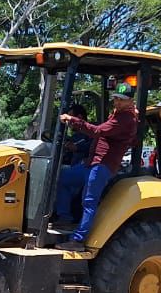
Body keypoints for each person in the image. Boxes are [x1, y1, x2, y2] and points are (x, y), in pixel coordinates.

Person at [53, 85, 139, 251]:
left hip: (102, 166)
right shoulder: (119, 115)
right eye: (115, 98)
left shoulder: (125, 119)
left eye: (121, 99)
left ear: (130, 101)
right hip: (92, 163)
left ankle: (77, 241)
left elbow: (98, 131)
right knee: (63, 178)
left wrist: (73, 120)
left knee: (89, 202)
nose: (117, 102)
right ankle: (65, 218)